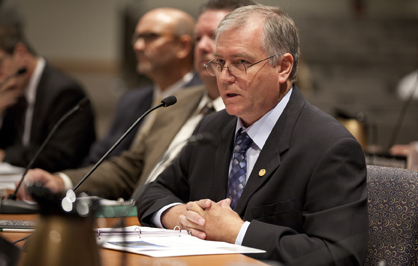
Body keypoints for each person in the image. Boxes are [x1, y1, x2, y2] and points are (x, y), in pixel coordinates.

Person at [136, 4, 368, 265]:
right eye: (220, 63)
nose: (224, 77)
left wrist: (239, 233)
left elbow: (340, 255)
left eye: (241, 63)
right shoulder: (212, 128)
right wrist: (182, 216)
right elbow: (152, 191)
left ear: (283, 67)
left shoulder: (329, 145)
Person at [16, 0, 255, 200]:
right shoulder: (177, 101)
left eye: (214, 36)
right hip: (133, 221)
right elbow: (130, 167)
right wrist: (61, 180)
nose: (202, 46)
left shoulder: (247, 113)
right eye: (197, 37)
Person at [83, 8, 202, 165]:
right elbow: (98, 159)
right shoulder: (132, 100)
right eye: (137, 37)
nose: (138, 46)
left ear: (183, 46)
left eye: (151, 37)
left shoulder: (203, 100)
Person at [0, 27, 96, 172]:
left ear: (21, 53)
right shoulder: (14, 89)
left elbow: (59, 156)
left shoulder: (65, 93)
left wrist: (6, 155)